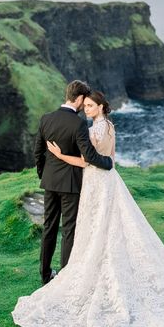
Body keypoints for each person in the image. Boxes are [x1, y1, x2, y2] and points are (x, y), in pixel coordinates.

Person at [11, 91, 164, 327]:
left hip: (97, 181)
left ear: (100, 107)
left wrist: (60, 155)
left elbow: (89, 161)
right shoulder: (107, 126)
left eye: (90, 106)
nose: (85, 109)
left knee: (95, 227)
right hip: (107, 182)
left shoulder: (94, 130)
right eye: (84, 105)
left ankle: (85, 270)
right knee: (107, 227)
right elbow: (110, 160)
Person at [33, 80, 113, 285]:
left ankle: (44, 274)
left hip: (50, 182)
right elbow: (90, 157)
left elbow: (38, 153)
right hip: (71, 185)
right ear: (78, 99)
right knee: (68, 230)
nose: (83, 106)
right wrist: (108, 162)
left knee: (49, 227)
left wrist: (45, 175)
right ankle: (65, 279)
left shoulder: (46, 119)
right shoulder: (78, 124)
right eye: (83, 101)